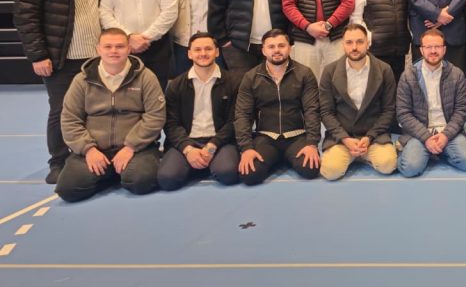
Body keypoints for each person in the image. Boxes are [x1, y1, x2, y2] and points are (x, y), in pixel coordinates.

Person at [14, 0, 102, 184]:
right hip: (60, 59)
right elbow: (26, 19)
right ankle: (59, 161)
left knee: (93, 110)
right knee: (62, 110)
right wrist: (38, 55)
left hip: (95, 57)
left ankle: (88, 156)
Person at [56, 28, 165, 202]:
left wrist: (131, 147)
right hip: (95, 149)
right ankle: (109, 171)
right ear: (98, 49)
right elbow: (70, 120)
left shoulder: (146, 77)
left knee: (140, 182)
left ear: (129, 49)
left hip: (136, 149)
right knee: (68, 190)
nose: (113, 51)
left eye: (119, 46)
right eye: (108, 46)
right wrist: (88, 150)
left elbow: (155, 116)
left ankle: (114, 171)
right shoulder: (81, 80)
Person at [233, 29, 321, 185]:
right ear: (263, 50)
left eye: (281, 45)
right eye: (271, 46)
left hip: (297, 137)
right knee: (250, 175)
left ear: (289, 48)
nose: (277, 50)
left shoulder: (304, 74)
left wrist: (312, 144)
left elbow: (312, 110)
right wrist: (246, 148)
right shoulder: (251, 77)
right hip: (265, 138)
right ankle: (277, 158)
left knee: (310, 169)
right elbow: (242, 114)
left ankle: (283, 158)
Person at [157, 33, 241, 190]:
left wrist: (212, 146)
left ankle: (205, 163)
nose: (203, 53)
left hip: (220, 141)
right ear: (189, 54)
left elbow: (235, 121)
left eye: (208, 49)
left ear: (217, 52)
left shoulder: (233, 82)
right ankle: (196, 162)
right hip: (187, 140)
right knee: (168, 179)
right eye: (197, 50)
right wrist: (188, 149)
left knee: (227, 173)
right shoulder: (176, 85)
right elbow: (170, 124)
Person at [319, 23, 398, 180]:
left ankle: (362, 155)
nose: (354, 47)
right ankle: (356, 155)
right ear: (343, 45)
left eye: (360, 42)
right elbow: (326, 112)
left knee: (388, 165)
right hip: (343, 138)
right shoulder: (329, 71)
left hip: (373, 137)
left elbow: (389, 110)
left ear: (368, 43)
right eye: (349, 42)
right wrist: (345, 139)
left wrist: (370, 137)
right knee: (331, 171)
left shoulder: (384, 70)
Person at [395, 29, 466, 177]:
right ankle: (422, 151)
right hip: (420, 133)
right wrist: (426, 138)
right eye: (428, 47)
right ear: (421, 50)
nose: (433, 51)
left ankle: (435, 152)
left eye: (437, 46)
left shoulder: (457, 74)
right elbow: (403, 113)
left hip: (448, 131)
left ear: (444, 49)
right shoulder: (408, 76)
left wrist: (445, 135)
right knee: (410, 168)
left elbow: (462, 110)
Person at [351, 0, 412, 84]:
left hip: (399, 50)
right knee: (377, 88)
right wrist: (370, 38)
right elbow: (355, 18)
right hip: (376, 51)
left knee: (396, 87)